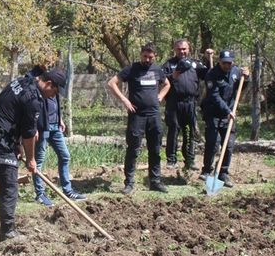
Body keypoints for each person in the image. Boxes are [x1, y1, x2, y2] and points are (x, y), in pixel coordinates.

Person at [0, 69, 65, 242]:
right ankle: (8, 231)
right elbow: (29, 134)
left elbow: (11, 115)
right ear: (49, 84)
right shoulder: (34, 99)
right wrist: (31, 159)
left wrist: (16, 145)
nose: (53, 96)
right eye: (55, 92)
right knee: (10, 186)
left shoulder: (22, 82)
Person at [106, 43, 171, 194]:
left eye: (150, 57)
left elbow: (167, 84)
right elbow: (112, 83)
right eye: (145, 56)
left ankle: (155, 181)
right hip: (137, 116)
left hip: (154, 115)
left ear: (155, 57)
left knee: (155, 149)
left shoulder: (157, 70)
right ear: (141, 54)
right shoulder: (131, 69)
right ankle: (129, 183)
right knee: (133, 149)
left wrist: (160, 96)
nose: (147, 60)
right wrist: (125, 100)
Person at [25, 65, 86, 207]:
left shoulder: (54, 88)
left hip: (55, 127)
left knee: (65, 155)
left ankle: (68, 190)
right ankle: (40, 195)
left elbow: (55, 105)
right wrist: (35, 128)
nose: (56, 92)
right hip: (42, 128)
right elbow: (35, 108)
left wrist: (60, 119)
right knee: (38, 161)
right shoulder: (41, 86)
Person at [198, 50, 249, 187]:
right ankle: (207, 170)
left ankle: (223, 173)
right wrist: (227, 111)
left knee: (229, 146)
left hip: (229, 114)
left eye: (229, 62)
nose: (227, 65)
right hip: (213, 113)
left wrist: (246, 78)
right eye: (224, 62)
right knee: (213, 143)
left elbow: (240, 88)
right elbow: (214, 96)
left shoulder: (236, 72)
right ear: (219, 61)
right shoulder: (211, 74)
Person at [161, 39, 212, 170]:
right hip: (174, 102)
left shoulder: (195, 64)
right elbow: (161, 80)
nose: (182, 51)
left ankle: (189, 160)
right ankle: (171, 160)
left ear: (188, 49)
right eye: (179, 49)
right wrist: (174, 75)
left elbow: (209, 75)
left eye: (184, 49)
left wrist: (208, 59)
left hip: (190, 103)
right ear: (175, 50)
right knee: (173, 130)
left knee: (189, 132)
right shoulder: (169, 64)